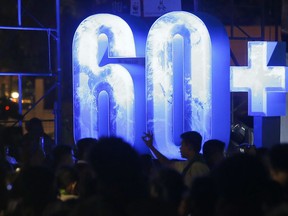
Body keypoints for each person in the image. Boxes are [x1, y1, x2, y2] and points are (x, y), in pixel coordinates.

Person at [142, 131, 209, 187]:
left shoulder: (198, 166)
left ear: (189, 147)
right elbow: (167, 163)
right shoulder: (188, 163)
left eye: (182, 145)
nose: (180, 148)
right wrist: (151, 146)